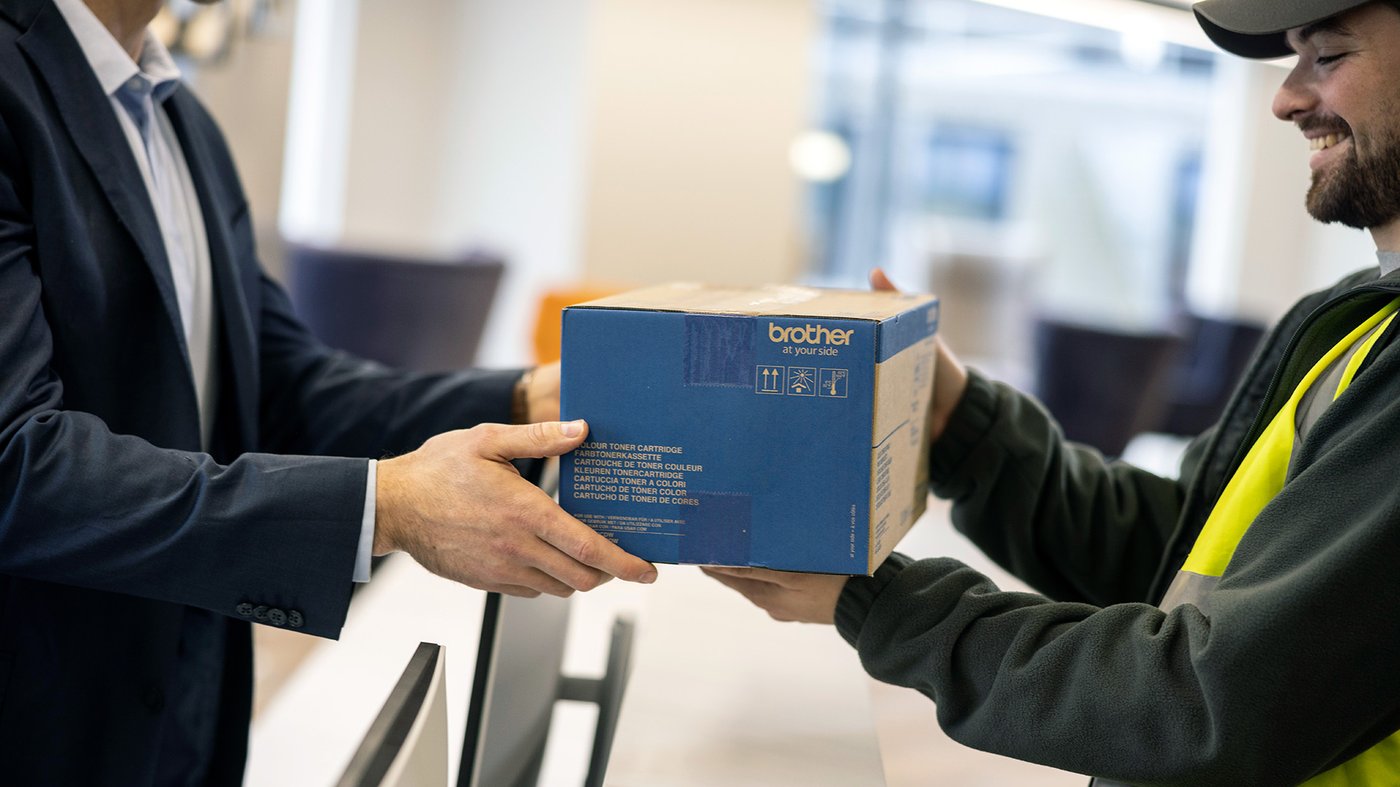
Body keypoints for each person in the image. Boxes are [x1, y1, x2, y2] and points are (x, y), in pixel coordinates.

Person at [706, 1, 1400, 784]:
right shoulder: (1354, 320)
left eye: (1329, 57)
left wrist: (882, 603)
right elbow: (1175, 553)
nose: (1285, 97)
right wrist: (964, 423)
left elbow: (1209, 702)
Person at [0, 0, 657, 783]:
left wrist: (521, 402)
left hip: (185, 709)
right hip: (41, 722)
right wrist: (384, 506)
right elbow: (18, 463)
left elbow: (285, 389)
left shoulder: (181, 125)